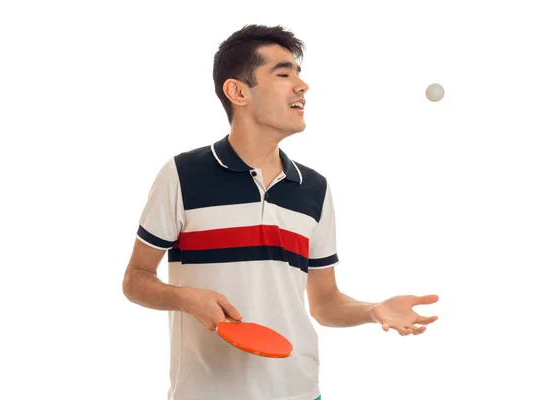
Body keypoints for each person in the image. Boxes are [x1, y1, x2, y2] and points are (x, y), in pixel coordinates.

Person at [122, 24, 439, 400]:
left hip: (299, 392)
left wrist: (373, 310)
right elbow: (136, 279)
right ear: (237, 91)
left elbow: (325, 304)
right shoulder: (182, 175)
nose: (302, 86)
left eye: (299, 75)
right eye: (284, 74)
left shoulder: (314, 189)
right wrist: (186, 297)